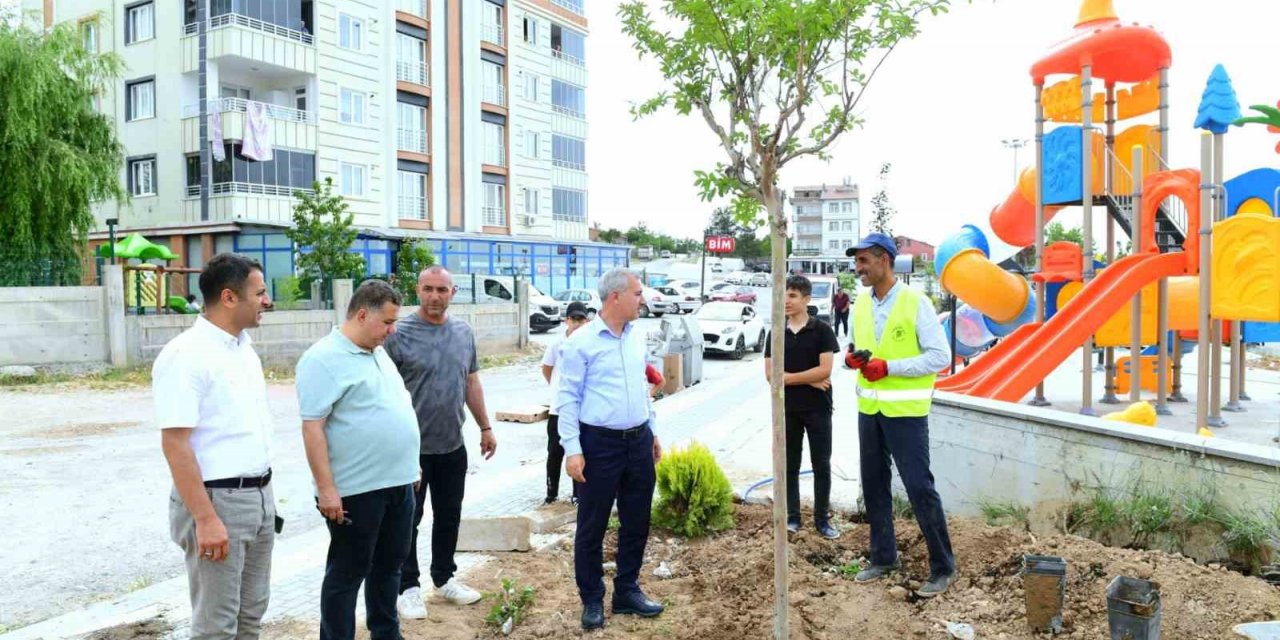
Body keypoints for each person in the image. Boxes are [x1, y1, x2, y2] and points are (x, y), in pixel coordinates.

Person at [154, 253, 276, 639]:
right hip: (217, 502)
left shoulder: (244, 348)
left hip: (258, 498)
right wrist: (205, 519)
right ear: (228, 297)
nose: (267, 300)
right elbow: (175, 445)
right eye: (259, 293)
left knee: (250, 614)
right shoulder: (185, 355)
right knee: (216, 625)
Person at [296, 280, 421, 640]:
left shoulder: (377, 351)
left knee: (390, 568)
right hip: (355, 490)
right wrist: (326, 489)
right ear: (362, 314)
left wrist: (410, 464)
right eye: (387, 322)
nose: (392, 330)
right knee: (347, 573)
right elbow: (313, 428)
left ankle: (386, 632)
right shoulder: (322, 359)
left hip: (398, 484)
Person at [843, 233, 956, 598]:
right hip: (869, 408)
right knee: (873, 484)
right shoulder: (861, 302)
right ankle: (883, 557)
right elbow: (859, 348)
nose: (857, 268)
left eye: (863, 261)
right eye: (857, 261)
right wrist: (852, 359)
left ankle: (943, 567)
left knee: (919, 488)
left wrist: (889, 367)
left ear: (884, 261)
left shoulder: (914, 302)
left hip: (905, 412)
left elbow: (940, 357)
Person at [384, 266, 496, 620]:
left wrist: (485, 426)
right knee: (407, 520)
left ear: (453, 292)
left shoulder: (463, 332)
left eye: (442, 290)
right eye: (428, 289)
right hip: (410, 451)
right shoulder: (398, 334)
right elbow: (383, 393)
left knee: (449, 515)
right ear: (417, 290)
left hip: (451, 446)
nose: (435, 296)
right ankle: (408, 587)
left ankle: (444, 578)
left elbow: (471, 382)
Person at [557, 268, 664, 631]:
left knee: (637, 519)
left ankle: (627, 591)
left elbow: (640, 388)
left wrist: (652, 432)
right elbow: (567, 398)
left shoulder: (637, 336)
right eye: (637, 293)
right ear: (615, 296)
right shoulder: (580, 342)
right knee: (592, 525)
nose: (642, 300)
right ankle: (591, 599)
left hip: (637, 441)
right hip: (598, 444)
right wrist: (573, 449)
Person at [764, 275, 840, 539]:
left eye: (793, 295)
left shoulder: (822, 330)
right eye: (784, 294)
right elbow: (770, 374)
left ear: (807, 299)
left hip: (818, 409)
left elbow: (826, 369)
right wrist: (809, 380)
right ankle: (793, 518)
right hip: (788, 409)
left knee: (821, 464)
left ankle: (822, 520)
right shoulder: (776, 331)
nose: (786, 300)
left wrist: (788, 378)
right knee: (790, 465)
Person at [540, 301, 591, 505]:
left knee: (578, 451)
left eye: (582, 319)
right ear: (566, 320)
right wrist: (556, 388)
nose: (577, 324)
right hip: (558, 409)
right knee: (555, 452)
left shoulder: (588, 344)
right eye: (574, 319)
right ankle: (551, 493)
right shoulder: (557, 344)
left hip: (580, 410)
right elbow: (547, 368)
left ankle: (577, 494)